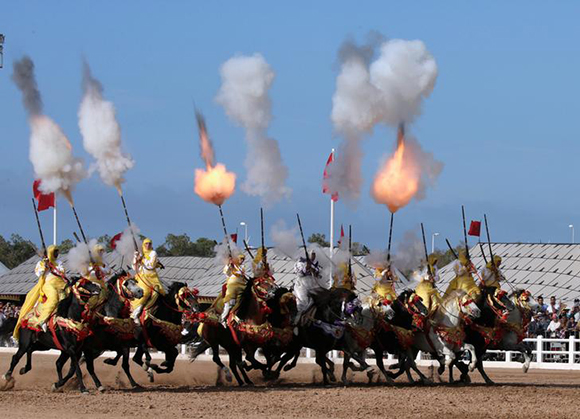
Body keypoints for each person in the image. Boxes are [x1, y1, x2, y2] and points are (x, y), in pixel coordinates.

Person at [14, 245, 67, 337]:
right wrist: (45, 266)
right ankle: (42, 320)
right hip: (48, 284)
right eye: (55, 252)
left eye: (57, 252)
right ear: (50, 252)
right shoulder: (41, 262)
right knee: (53, 299)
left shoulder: (59, 262)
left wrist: (53, 266)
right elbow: (39, 273)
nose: (57, 254)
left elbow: (62, 272)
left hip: (61, 285)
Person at [130, 238, 166, 324]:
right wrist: (136, 257)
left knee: (155, 292)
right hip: (141, 276)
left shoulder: (153, 253)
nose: (148, 245)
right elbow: (134, 267)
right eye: (146, 243)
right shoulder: (140, 252)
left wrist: (142, 259)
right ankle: (134, 313)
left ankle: (145, 311)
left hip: (152, 277)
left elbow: (151, 265)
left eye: (149, 243)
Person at [293, 251, 327, 325]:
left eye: (314, 254)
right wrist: (307, 267)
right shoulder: (299, 262)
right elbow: (300, 273)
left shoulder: (315, 263)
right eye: (312, 254)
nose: (314, 256)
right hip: (301, 284)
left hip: (313, 283)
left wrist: (314, 270)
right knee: (303, 302)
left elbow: (319, 274)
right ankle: (297, 320)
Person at [220, 253, 247, 326]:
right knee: (229, 303)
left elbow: (243, 277)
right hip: (232, 286)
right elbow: (227, 273)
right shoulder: (232, 266)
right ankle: (223, 318)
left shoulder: (242, 268)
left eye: (243, 259)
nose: (242, 261)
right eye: (241, 259)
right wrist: (229, 265)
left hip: (241, 287)